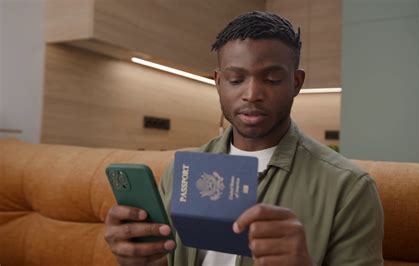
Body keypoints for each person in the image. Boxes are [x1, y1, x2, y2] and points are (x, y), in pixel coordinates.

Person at [104, 11, 384, 266]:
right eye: (236, 80)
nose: (252, 94)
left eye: (272, 79)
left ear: (296, 83)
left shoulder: (349, 188)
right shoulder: (180, 171)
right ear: (218, 81)